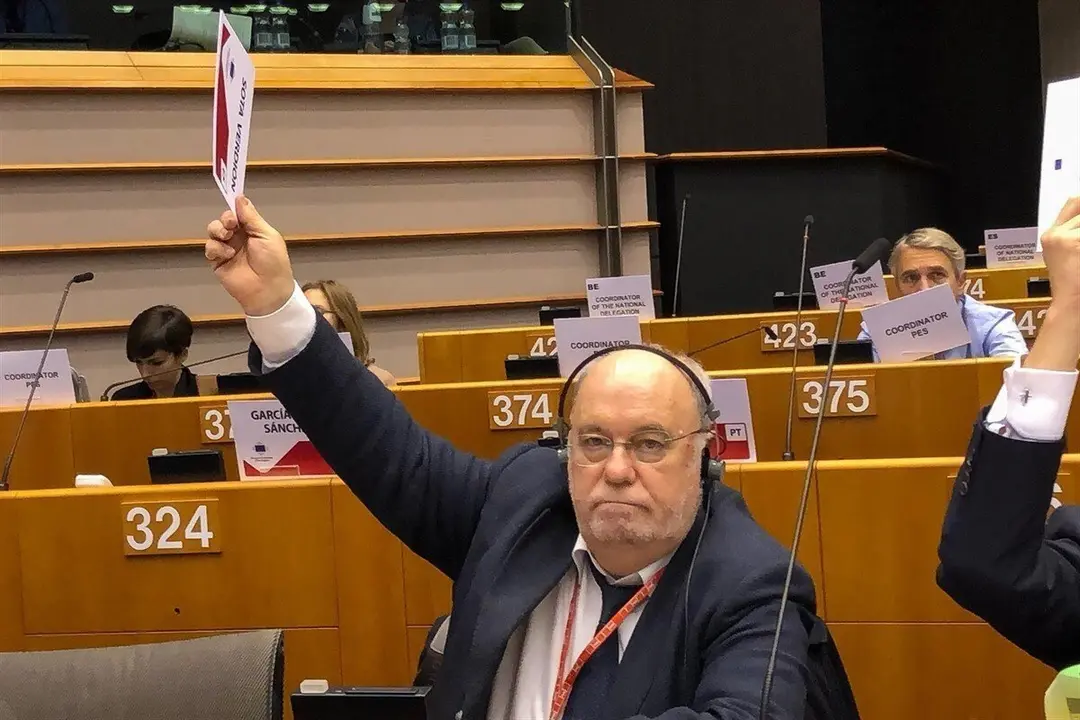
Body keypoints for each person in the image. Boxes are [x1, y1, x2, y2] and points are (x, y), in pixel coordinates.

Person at [206, 196, 817, 719]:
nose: (617, 470)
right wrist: (276, 306)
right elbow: (386, 450)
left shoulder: (751, 582)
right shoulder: (524, 501)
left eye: (650, 444)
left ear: (706, 455)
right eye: (594, 441)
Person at [937, 195, 1080, 671]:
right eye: (910, 277)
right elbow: (986, 565)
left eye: (936, 275)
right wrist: (1070, 309)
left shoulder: (990, 322)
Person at [857, 227, 1028, 361]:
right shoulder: (875, 332)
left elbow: (1018, 382)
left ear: (960, 282)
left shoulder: (993, 324)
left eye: (937, 275)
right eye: (911, 278)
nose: (924, 289)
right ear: (897, 286)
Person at [301, 279, 396, 387]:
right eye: (301, 313)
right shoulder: (290, 379)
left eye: (317, 312)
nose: (306, 319)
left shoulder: (379, 380)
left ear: (342, 319)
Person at [111, 305, 199, 401]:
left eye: (156, 363)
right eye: (139, 362)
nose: (145, 374)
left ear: (182, 355)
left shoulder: (207, 393)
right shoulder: (124, 399)